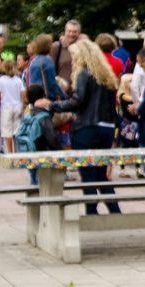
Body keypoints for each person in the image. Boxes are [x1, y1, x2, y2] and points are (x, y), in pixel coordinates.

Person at [39, 40, 122, 215]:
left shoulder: (84, 73)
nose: (73, 59)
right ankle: (115, 212)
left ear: (82, 55)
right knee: (101, 175)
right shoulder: (106, 75)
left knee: (88, 176)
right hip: (106, 128)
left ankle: (91, 212)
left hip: (87, 128)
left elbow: (78, 101)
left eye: (75, 55)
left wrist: (53, 105)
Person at [0, 59, 24, 153]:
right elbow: (23, 94)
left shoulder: (0, 80)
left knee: (7, 132)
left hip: (6, 107)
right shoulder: (18, 80)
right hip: (17, 106)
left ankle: (10, 153)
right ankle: (17, 152)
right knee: (17, 131)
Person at [26, 35, 63, 102]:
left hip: (34, 97)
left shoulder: (34, 61)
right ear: (47, 46)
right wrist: (64, 96)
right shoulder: (47, 61)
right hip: (46, 98)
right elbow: (52, 83)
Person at [51, 20, 80, 87]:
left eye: (74, 32)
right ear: (65, 32)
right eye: (69, 31)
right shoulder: (56, 47)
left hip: (79, 92)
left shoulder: (82, 49)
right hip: (60, 92)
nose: (71, 34)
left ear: (79, 33)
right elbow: (50, 71)